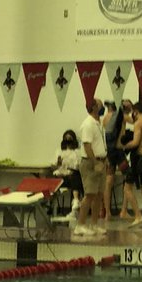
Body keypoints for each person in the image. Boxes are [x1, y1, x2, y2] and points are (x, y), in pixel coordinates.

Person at [75, 98, 107, 238]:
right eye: (100, 105)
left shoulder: (98, 123)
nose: (103, 107)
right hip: (90, 163)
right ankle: (80, 225)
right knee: (89, 195)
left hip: (101, 161)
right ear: (94, 107)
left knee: (99, 195)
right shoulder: (88, 124)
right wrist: (95, 162)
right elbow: (87, 146)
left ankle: (93, 224)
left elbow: (99, 143)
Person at [53, 129, 83, 218]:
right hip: (61, 175)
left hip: (72, 174)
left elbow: (78, 165)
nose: (68, 140)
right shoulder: (59, 151)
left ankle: (76, 200)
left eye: (70, 138)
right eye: (66, 138)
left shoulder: (77, 152)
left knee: (75, 176)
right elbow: (55, 165)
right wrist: (58, 163)